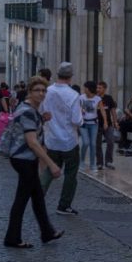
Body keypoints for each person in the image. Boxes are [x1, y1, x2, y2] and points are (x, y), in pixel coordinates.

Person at [4, 75, 64, 248]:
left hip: (23, 158)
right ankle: (12, 238)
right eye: (37, 90)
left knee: (37, 197)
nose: (41, 94)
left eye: (44, 90)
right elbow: (32, 142)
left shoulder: (29, 109)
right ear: (29, 92)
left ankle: (47, 232)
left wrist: (42, 119)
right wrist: (51, 164)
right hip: (23, 159)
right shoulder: (28, 111)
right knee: (22, 199)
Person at [40, 62, 82, 215]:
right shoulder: (73, 95)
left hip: (51, 140)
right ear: (70, 77)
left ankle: (37, 197)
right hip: (69, 141)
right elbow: (77, 120)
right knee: (71, 174)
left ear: (57, 74)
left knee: (49, 170)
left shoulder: (47, 92)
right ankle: (64, 205)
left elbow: (41, 112)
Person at [79, 81, 100, 172]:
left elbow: (102, 111)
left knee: (93, 144)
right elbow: (77, 108)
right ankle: (82, 161)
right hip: (83, 123)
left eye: (85, 88)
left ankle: (92, 165)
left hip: (94, 124)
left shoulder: (97, 99)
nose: (84, 90)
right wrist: (80, 111)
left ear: (89, 89)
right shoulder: (81, 97)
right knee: (85, 142)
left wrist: (106, 122)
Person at [96, 81, 117, 170]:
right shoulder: (95, 98)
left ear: (104, 89)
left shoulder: (109, 98)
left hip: (108, 124)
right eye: (97, 88)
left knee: (110, 142)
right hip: (97, 124)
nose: (98, 89)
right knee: (98, 144)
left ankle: (108, 161)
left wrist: (115, 122)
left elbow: (113, 111)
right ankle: (99, 163)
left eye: (100, 88)